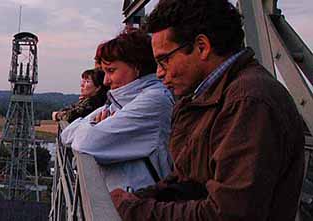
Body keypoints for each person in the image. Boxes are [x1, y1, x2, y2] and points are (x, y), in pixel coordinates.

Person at [109, 0, 305, 220]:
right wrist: (139, 199)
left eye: (164, 60)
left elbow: (229, 214)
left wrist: (134, 209)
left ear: (202, 46)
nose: (159, 73)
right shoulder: (210, 97)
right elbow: (189, 181)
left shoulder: (249, 101)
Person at [60, 29, 174, 192]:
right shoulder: (122, 99)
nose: (106, 81)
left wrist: (93, 128)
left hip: (142, 206)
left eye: (111, 71)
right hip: (121, 201)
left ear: (136, 67)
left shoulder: (155, 101)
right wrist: (96, 127)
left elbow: (85, 143)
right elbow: (67, 134)